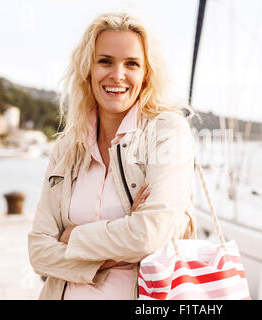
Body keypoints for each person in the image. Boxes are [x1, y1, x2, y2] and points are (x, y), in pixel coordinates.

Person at [28, 12, 198, 300]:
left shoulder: (166, 133)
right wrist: (119, 247)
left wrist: (72, 237)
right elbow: (39, 252)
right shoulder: (67, 148)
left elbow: (148, 235)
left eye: (131, 64)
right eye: (105, 61)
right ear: (88, 69)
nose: (117, 75)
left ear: (145, 75)